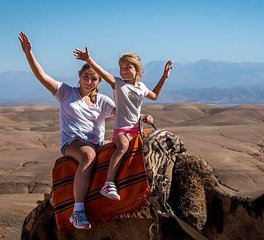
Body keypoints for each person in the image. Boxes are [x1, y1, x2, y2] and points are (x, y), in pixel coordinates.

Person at [18, 32, 117, 230]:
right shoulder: (65, 92)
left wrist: (142, 118)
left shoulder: (103, 101)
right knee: (88, 155)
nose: (89, 81)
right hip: (73, 141)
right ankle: (77, 211)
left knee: (120, 149)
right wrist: (29, 54)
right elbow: (42, 76)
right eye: (86, 77)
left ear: (99, 82)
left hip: (97, 142)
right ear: (79, 77)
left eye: (94, 79)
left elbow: (124, 114)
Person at [73, 47, 172, 201]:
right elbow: (103, 73)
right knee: (123, 146)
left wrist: (165, 76)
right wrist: (88, 59)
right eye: (121, 68)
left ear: (137, 70)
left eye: (128, 67)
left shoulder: (142, 87)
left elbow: (155, 95)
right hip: (122, 130)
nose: (124, 71)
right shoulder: (118, 84)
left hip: (137, 128)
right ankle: (108, 183)